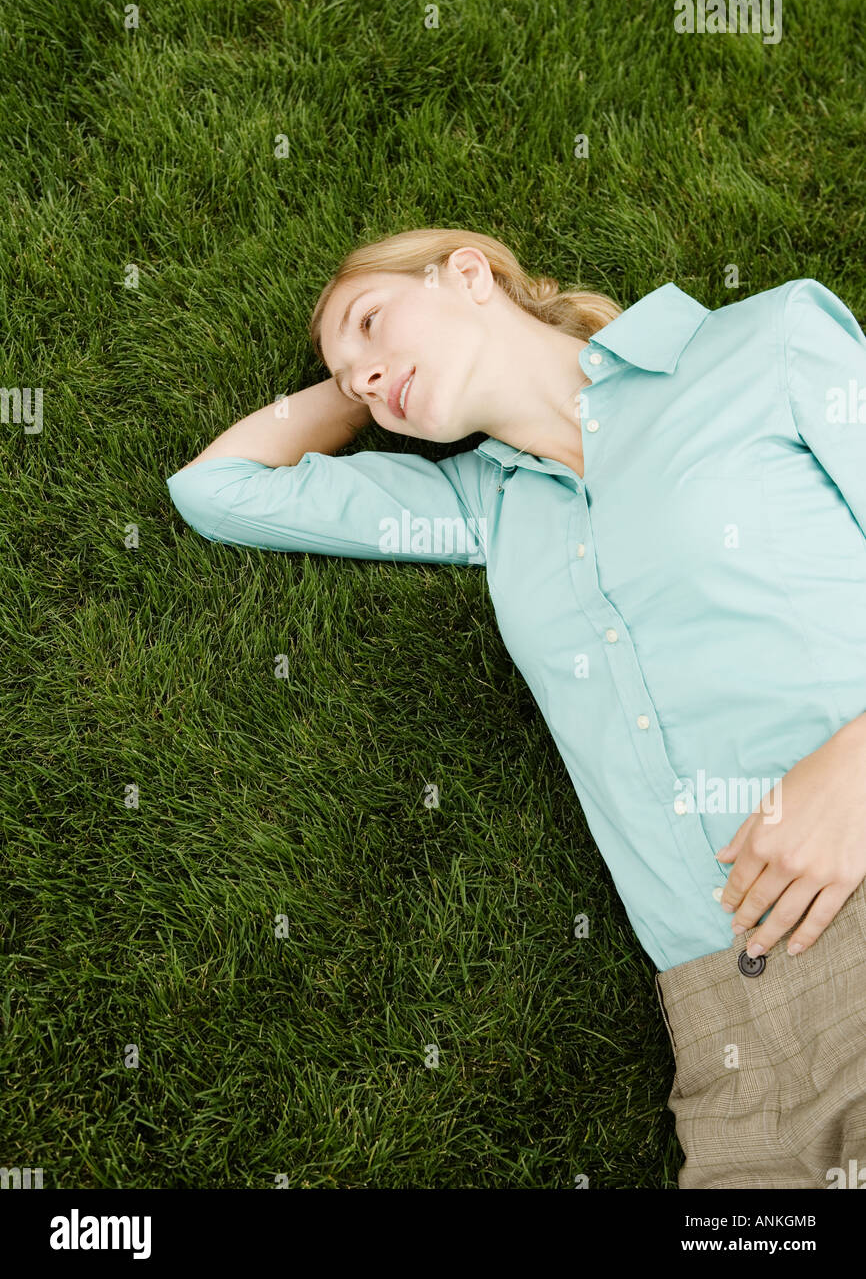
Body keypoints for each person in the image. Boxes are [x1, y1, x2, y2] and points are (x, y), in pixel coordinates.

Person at [165, 227, 866, 1188]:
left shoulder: (763, 345)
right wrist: (359, 378)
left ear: (469, 272)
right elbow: (218, 489)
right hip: (727, 1029)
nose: (367, 379)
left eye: (372, 324)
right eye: (349, 375)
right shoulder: (485, 508)